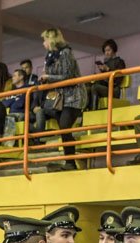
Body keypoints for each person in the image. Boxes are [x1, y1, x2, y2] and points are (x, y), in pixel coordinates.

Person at [40, 28, 86, 171]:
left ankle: (70, 162)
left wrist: (49, 78)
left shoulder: (66, 53)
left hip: (73, 97)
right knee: (63, 129)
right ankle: (69, 162)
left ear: (51, 40)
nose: (43, 43)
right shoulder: (50, 57)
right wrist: (45, 79)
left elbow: (68, 77)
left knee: (65, 127)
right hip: (60, 98)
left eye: (45, 40)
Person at [90, 39, 127, 109]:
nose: (106, 53)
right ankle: (86, 113)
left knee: (95, 88)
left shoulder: (120, 62)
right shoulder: (106, 63)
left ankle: (93, 111)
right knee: (90, 86)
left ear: (114, 50)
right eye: (105, 51)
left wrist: (108, 69)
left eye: (108, 50)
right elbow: (105, 81)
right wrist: (102, 72)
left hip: (114, 90)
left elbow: (118, 80)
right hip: (106, 88)